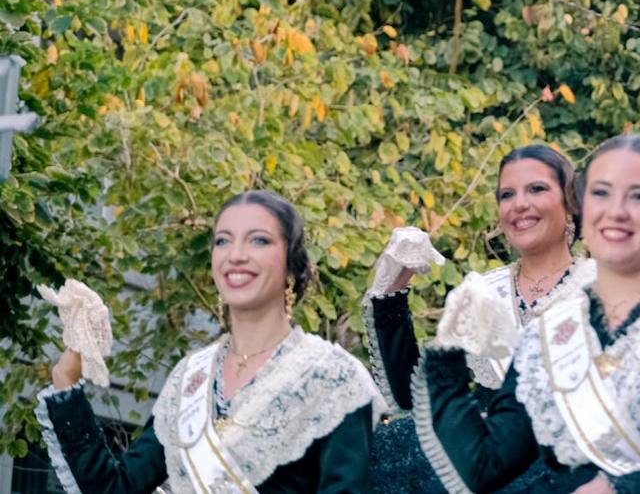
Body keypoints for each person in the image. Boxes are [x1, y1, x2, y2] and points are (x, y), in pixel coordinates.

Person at [413, 133, 640, 494]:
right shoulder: (547, 337)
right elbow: (484, 466)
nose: (616, 211)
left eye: (639, 195)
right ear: (583, 213)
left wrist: (624, 490)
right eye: (601, 193)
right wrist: (449, 350)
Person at [37, 190, 384, 493]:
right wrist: (66, 379)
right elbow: (116, 488)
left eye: (258, 240)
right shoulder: (190, 378)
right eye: (223, 241)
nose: (236, 254)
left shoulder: (334, 377)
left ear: (292, 264)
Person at [365, 144, 595, 494]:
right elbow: (414, 398)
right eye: (507, 194)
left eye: (537, 189)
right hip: (483, 464)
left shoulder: (599, 287)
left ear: (571, 203)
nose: (519, 204)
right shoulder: (483, 291)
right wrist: (390, 294)